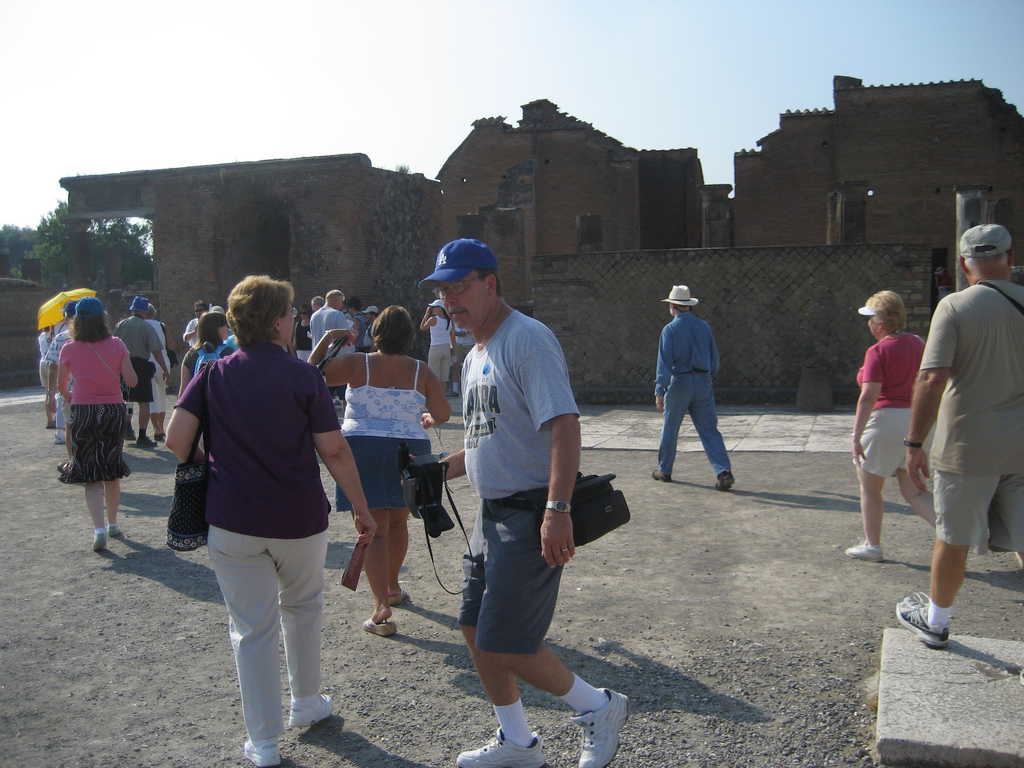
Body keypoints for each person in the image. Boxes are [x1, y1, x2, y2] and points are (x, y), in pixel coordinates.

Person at [421, 238, 628, 768]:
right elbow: (485, 438)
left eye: (459, 286)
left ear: (490, 283)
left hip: (531, 510)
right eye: (443, 291)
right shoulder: (474, 356)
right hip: (491, 514)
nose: (450, 300)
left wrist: (557, 510)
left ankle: (598, 706)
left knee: (507, 642)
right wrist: (439, 470)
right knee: (474, 628)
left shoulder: (527, 339)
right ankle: (517, 742)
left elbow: (564, 425)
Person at [165, 274, 376, 768]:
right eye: (290, 313)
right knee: (303, 608)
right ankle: (306, 700)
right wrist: (362, 509)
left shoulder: (212, 373)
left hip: (233, 517)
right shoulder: (303, 376)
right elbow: (334, 450)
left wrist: (218, 457)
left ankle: (263, 742)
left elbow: (176, 441)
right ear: (279, 321)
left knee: (251, 630)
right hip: (298, 516)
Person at [897, 224, 1024, 650]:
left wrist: (914, 443)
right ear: (1010, 258)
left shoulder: (954, 306)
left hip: (968, 444)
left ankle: (936, 622)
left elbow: (932, 378)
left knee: (953, 537)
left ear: (964, 263)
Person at [310, 305, 450, 636]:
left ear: (377, 332)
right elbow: (442, 413)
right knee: (399, 522)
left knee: (373, 528)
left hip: (363, 447)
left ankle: (380, 606)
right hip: (409, 448)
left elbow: (310, 373)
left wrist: (327, 339)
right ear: (409, 336)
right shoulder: (421, 370)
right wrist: (427, 418)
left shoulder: (358, 363)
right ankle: (392, 586)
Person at [846, 291, 935, 562]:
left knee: (870, 487)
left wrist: (856, 435)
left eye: (871, 318)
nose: (868, 323)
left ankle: (873, 545)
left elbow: (869, 395)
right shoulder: (919, 343)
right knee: (914, 491)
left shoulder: (877, 351)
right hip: (917, 421)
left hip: (885, 421)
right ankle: (954, 535)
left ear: (880, 322)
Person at [56, 297, 138, 552]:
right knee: (111, 470)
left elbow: (61, 387)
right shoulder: (117, 344)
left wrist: (75, 396)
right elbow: (132, 381)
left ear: (76, 321)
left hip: (83, 410)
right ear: (103, 318)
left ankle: (99, 530)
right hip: (113, 409)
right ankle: (113, 524)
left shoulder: (68, 348)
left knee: (90, 474)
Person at [651, 284, 734, 491]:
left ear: (673, 306)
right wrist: (708, 378)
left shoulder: (670, 330)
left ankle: (664, 469)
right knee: (709, 430)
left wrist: (660, 390)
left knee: (670, 428)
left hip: (680, 381)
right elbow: (714, 359)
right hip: (703, 381)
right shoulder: (704, 327)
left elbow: (664, 364)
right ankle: (723, 471)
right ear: (688, 305)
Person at [114, 295, 169, 448]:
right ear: (145, 311)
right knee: (144, 402)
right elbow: (156, 351)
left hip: (123, 365)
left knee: (126, 399)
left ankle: (126, 427)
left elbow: (113, 346)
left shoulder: (121, 325)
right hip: (141, 366)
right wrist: (164, 369)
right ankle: (142, 435)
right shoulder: (146, 327)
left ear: (133, 309)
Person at [177, 311, 234, 401]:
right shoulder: (228, 352)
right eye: (224, 325)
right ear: (215, 329)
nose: (228, 328)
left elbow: (183, 390)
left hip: (197, 404)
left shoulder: (191, 354)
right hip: (220, 404)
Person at [46, 301, 78, 451]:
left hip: (68, 390)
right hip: (91, 389)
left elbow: (53, 367)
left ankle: (73, 459)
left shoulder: (60, 338)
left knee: (69, 427)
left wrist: (50, 394)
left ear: (67, 317)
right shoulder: (96, 337)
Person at [144, 303, 171, 441]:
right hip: (163, 362)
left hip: (148, 362)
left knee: (152, 398)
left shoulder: (142, 325)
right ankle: (161, 427)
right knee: (161, 395)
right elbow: (170, 344)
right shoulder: (162, 325)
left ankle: (157, 428)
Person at [421, 299, 456, 396]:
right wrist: (453, 352)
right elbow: (452, 338)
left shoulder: (433, 319)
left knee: (433, 375)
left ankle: (434, 396)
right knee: (444, 377)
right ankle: (442, 396)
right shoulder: (449, 321)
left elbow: (422, 327)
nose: (431, 309)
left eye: (434, 307)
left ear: (440, 309)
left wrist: (426, 315)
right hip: (446, 348)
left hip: (435, 348)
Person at [39, 325, 56, 429]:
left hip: (42, 363)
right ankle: (57, 418)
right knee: (56, 393)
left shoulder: (41, 336)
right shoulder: (53, 336)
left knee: (48, 393)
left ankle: (49, 420)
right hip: (51, 364)